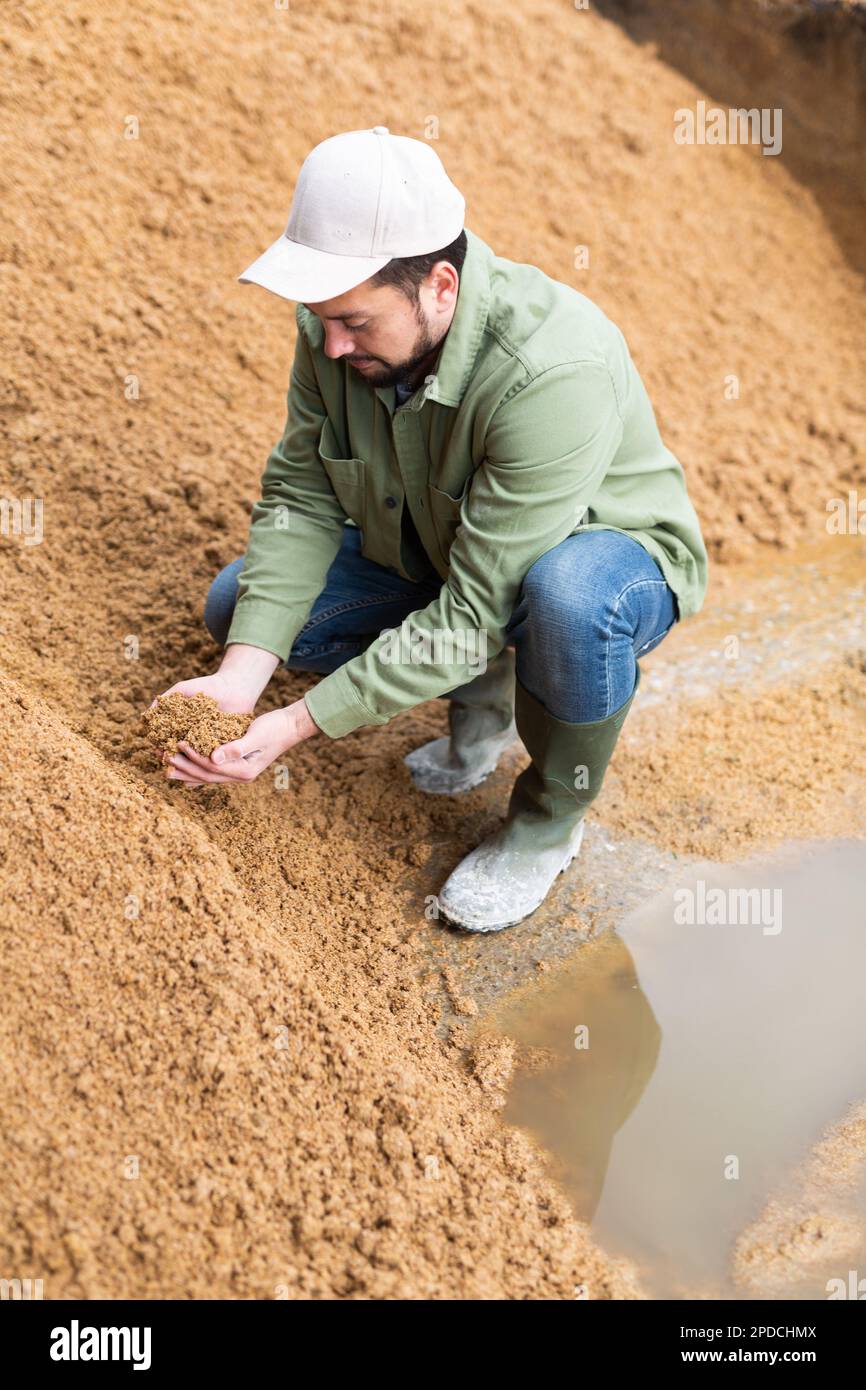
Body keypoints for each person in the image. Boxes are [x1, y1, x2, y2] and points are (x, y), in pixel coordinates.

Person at [157, 126, 708, 933]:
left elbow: (483, 601)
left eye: (355, 323)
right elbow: (301, 495)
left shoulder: (552, 369)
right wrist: (242, 682)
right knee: (236, 607)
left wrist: (296, 723)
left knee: (565, 601)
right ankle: (481, 699)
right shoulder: (334, 331)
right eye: (322, 320)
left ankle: (548, 824)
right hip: (445, 544)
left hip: (607, 560)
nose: (332, 344)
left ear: (440, 287)